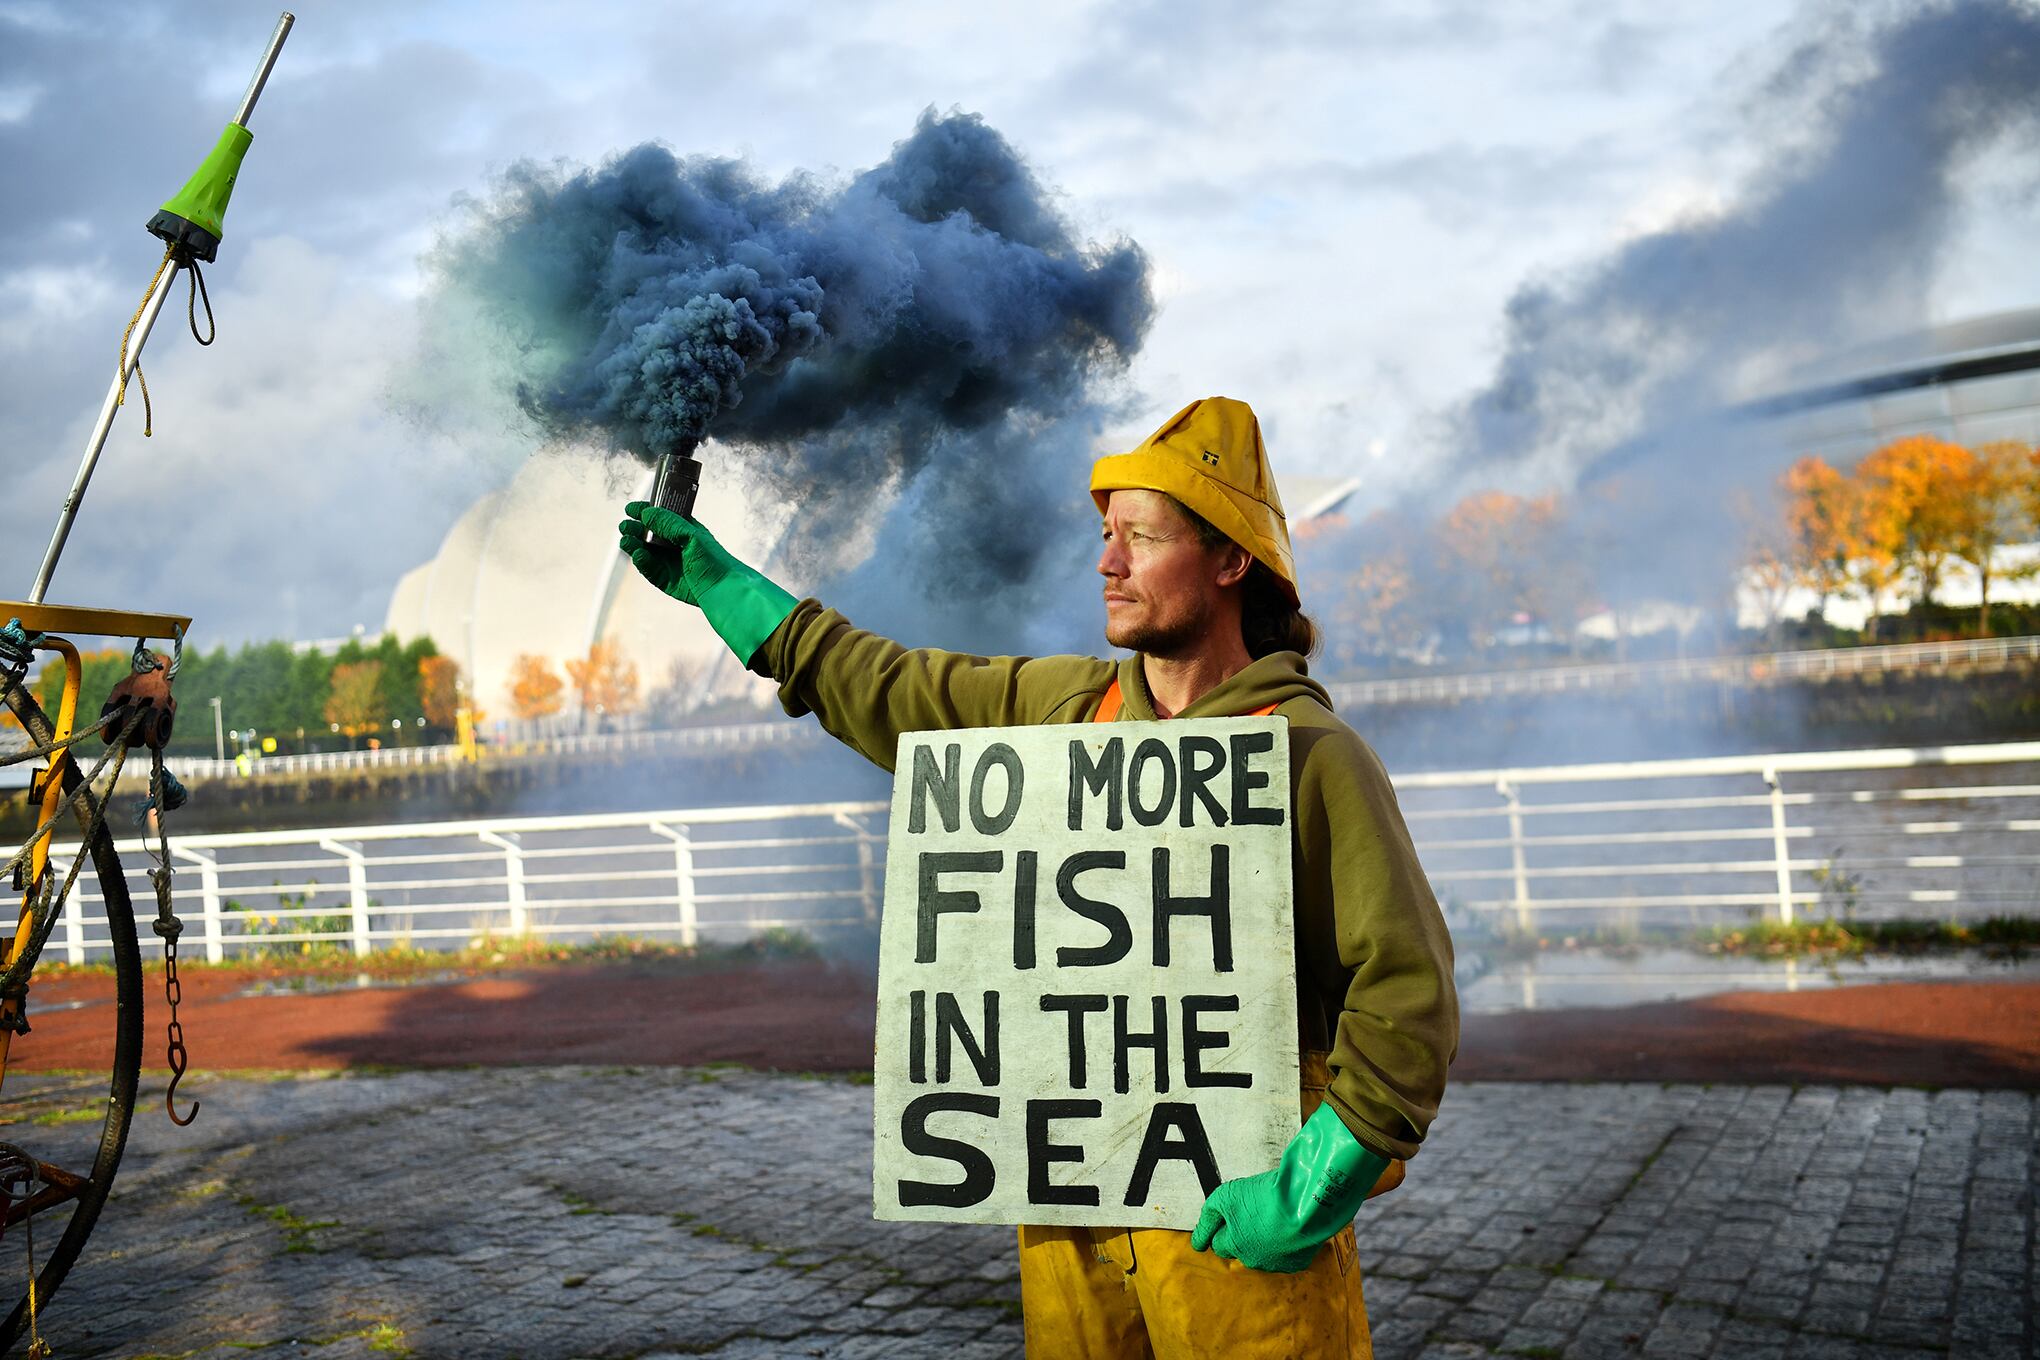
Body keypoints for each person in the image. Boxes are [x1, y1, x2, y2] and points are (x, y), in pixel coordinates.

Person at [618, 396, 1458, 1360]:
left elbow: (1406, 989)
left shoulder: (1309, 753)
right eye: (1107, 536)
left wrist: (1310, 1186)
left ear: (1231, 562)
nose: (1108, 563)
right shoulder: (1068, 711)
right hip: (1068, 1213)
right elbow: (890, 688)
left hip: (1233, 1226)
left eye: (1141, 538)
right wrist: (724, 587)